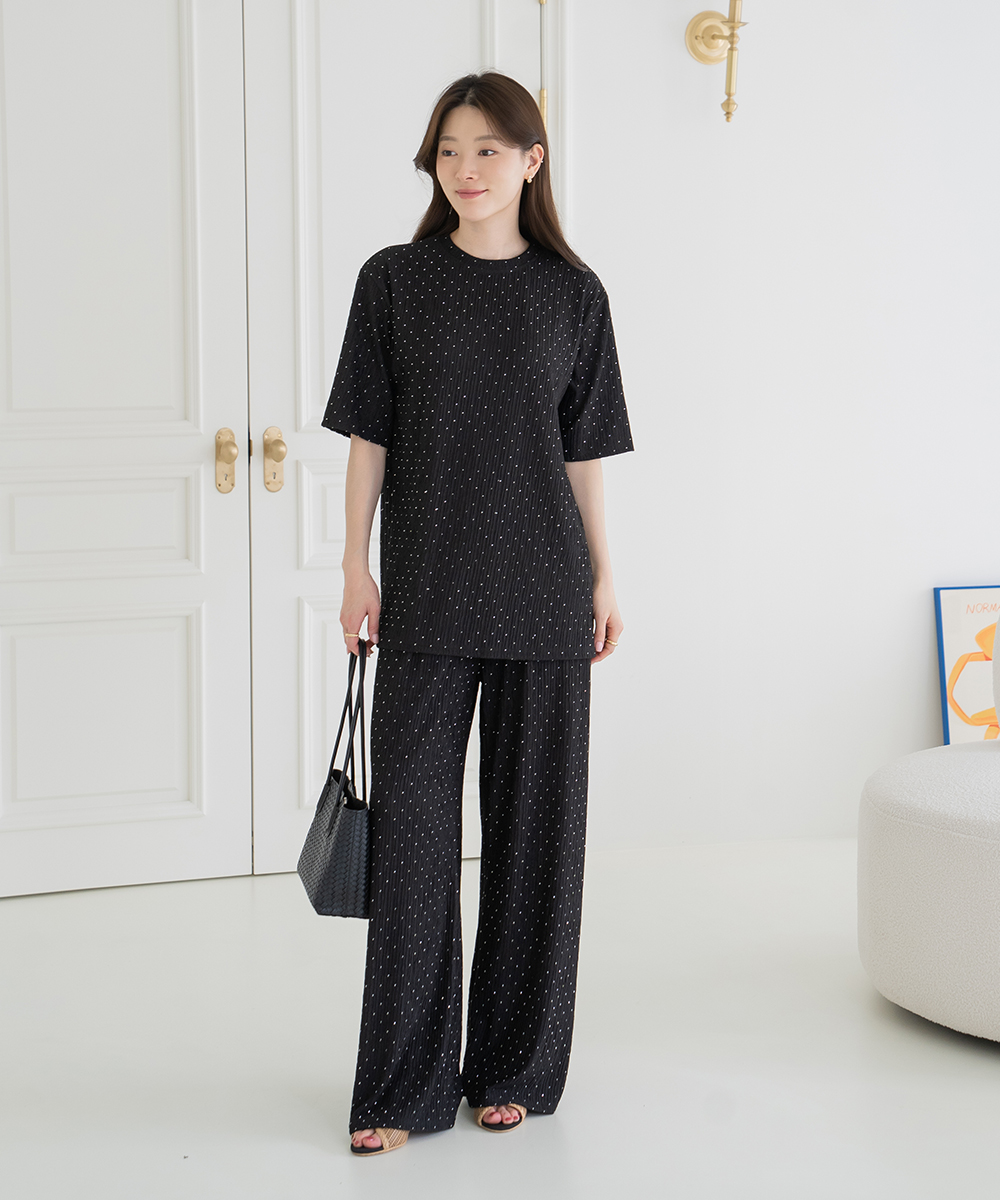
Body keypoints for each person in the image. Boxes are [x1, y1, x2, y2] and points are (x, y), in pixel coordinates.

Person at [321, 69, 634, 1156]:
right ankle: (401, 1086)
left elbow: (584, 452)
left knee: (536, 837)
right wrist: (353, 565)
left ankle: (513, 1067)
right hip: (426, 589)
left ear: (531, 161)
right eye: (448, 151)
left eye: (487, 150)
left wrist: (603, 576)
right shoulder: (394, 280)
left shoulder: (574, 295)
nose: (465, 169)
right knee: (413, 842)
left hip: (546, 588)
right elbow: (369, 434)